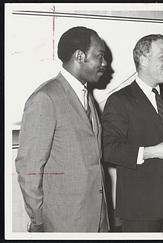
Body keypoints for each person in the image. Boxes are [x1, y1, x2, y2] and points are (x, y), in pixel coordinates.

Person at [15, 26, 110, 232]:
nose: (105, 64)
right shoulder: (45, 98)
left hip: (97, 220)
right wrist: (39, 221)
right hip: (63, 224)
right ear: (79, 56)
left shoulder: (86, 95)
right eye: (100, 56)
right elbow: (29, 168)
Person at [101, 34, 163, 232]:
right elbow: (107, 149)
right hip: (140, 210)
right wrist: (149, 152)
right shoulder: (120, 101)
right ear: (143, 59)